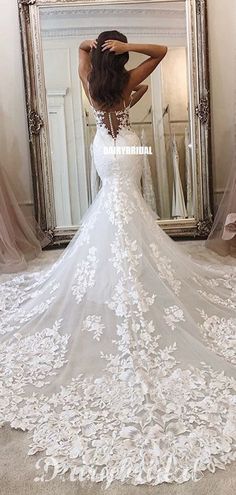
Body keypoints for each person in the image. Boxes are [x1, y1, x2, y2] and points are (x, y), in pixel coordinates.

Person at [0, 31, 235, 488]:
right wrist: (128, 51)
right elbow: (163, 52)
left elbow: (82, 49)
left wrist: (97, 45)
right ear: (121, 53)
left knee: (117, 204)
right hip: (127, 147)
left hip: (106, 152)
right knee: (130, 204)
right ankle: (135, 271)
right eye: (120, 48)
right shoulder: (128, 83)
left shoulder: (94, 84)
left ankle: (124, 270)